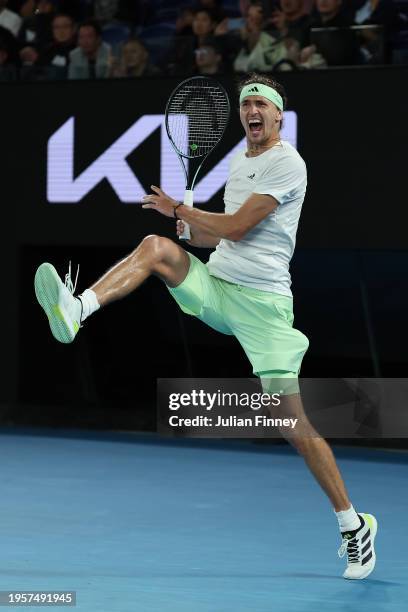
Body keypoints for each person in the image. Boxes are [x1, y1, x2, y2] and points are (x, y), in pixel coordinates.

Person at [34, 73, 378, 580]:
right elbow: (220, 240)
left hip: (264, 309)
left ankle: (353, 525)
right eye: (247, 105)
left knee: (291, 423)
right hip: (218, 288)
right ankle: (77, 309)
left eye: (262, 104)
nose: (253, 111)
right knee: (157, 248)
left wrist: (185, 210)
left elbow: (239, 226)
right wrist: (189, 231)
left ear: (280, 116)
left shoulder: (289, 163)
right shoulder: (239, 161)